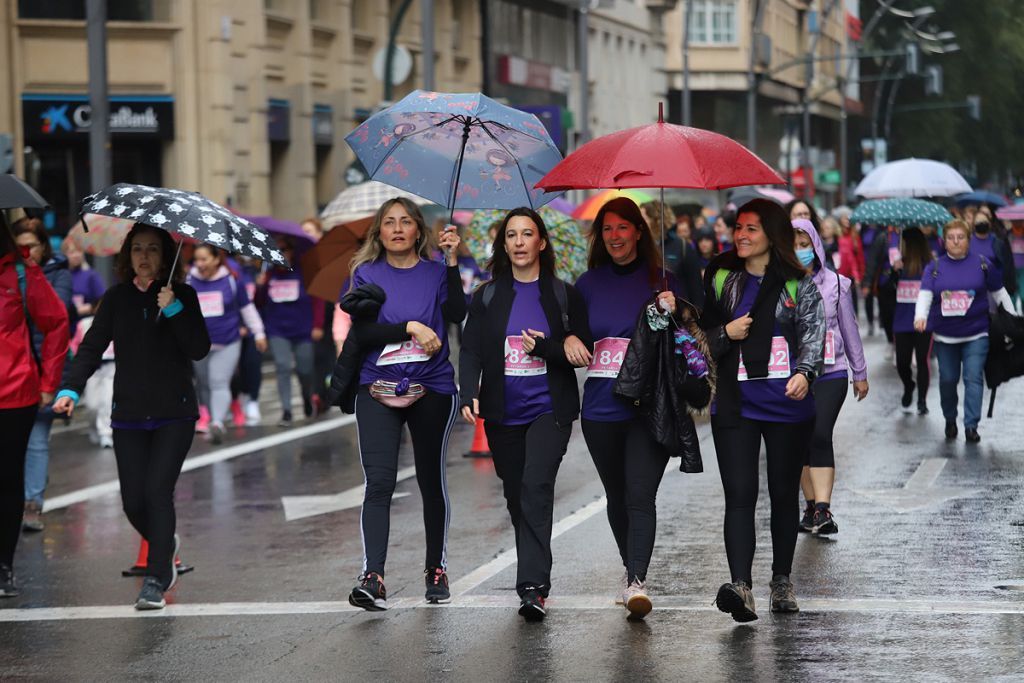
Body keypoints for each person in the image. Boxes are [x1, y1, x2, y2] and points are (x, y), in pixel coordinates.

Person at [564, 197, 710, 619]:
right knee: (617, 496)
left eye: (623, 228)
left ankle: (637, 582)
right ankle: (631, 569)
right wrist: (570, 340)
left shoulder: (662, 278)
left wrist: (675, 309)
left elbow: (694, 330)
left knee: (641, 494)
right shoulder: (587, 284)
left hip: (651, 405)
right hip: (600, 409)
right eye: (607, 229)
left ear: (639, 232)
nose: (615, 236)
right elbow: (574, 336)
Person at [54, 224, 210, 610]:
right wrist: (69, 389)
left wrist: (173, 309)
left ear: (165, 256)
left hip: (174, 413)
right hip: (128, 415)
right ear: (127, 256)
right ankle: (164, 542)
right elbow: (91, 349)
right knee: (132, 502)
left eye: (153, 249)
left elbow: (199, 347)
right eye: (137, 249)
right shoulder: (116, 298)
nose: (144, 256)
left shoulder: (182, 296)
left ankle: (157, 579)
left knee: (158, 492)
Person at [459, 207, 586, 622]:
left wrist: (547, 347)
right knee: (517, 495)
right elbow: (472, 348)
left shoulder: (564, 294)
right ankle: (533, 565)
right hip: (501, 411)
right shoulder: (487, 295)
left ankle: (532, 585)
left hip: (549, 409)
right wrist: (468, 390)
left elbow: (579, 351)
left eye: (526, 234)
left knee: (535, 485)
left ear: (541, 242)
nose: (518, 242)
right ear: (504, 244)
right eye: (511, 235)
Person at [700, 199, 825, 622]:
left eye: (751, 229)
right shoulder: (720, 279)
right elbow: (696, 336)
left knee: (782, 495)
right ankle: (742, 587)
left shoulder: (796, 284)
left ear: (771, 235)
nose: (741, 235)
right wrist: (723, 333)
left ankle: (781, 580)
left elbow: (813, 332)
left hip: (787, 406)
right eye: (738, 227)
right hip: (735, 405)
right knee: (739, 495)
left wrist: (806, 373)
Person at [344, 197, 465, 611]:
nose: (397, 229)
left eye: (406, 222)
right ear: (378, 232)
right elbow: (362, 333)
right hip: (376, 387)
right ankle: (373, 576)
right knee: (379, 482)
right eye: (389, 222)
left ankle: (436, 568)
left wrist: (451, 263)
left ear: (419, 230)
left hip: (431, 387)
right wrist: (409, 327)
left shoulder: (435, 272)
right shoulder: (365, 273)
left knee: (431, 479)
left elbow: (456, 312)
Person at [0, 221, 68, 597]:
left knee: (8, 481)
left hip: (15, 394)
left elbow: (56, 322)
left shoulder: (22, 273)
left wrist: (48, 384)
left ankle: (3, 566)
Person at [792, 219, 868, 537]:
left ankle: (823, 508)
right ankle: (810, 507)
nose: (800, 251)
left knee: (820, 433)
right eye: (793, 245)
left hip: (831, 372)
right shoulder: (781, 285)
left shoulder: (837, 284)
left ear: (816, 246)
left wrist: (860, 373)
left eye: (804, 244)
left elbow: (849, 329)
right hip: (795, 375)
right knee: (800, 440)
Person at [914, 219, 1014, 443]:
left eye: (960, 237)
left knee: (973, 377)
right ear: (944, 241)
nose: (956, 242)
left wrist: (1014, 321)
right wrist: (920, 317)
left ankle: (971, 425)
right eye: (951, 238)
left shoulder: (982, 264)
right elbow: (925, 295)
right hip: (944, 335)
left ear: (968, 240)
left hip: (976, 334)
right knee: (948, 379)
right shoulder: (935, 267)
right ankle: (950, 419)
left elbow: (1000, 293)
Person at [11, 218, 74, 532]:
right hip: (12, 372)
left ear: (42, 246)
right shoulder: (9, 271)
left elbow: (57, 314)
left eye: (30, 246)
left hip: (44, 367)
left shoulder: (55, 272)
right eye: (19, 245)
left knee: (36, 439)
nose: (25, 251)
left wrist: (29, 285)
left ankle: (33, 502)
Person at [186, 244, 267, 443]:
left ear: (216, 259)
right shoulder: (189, 281)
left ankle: (218, 422)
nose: (200, 264)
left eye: (204, 259)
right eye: (197, 259)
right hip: (199, 343)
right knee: (204, 383)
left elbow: (246, 308)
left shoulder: (231, 280)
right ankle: (210, 416)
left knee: (218, 381)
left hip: (228, 341)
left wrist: (258, 332)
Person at [255, 237, 324, 426]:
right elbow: (259, 302)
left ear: (292, 251)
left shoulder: (304, 273)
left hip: (303, 330)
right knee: (283, 366)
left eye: (285, 249)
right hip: (277, 330)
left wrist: (317, 325)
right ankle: (286, 411)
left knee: (305, 370)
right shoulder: (268, 274)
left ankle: (306, 396)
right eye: (278, 249)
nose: (282, 252)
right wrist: (260, 287)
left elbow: (317, 299)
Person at [890, 228, 934, 415]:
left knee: (923, 361)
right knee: (902, 362)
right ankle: (909, 385)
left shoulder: (930, 266)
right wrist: (893, 272)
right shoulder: (899, 265)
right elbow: (889, 290)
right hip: (901, 320)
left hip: (923, 320)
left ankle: (922, 400)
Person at [642, 201, 704, 309]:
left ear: (656, 220)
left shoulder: (682, 246)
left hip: (678, 317)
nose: (639, 223)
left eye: (643, 219)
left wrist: (695, 315)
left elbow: (696, 290)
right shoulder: (639, 248)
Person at [62, 239, 106, 318]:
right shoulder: (61, 275)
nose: (76, 255)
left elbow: (103, 301)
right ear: (65, 255)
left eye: (79, 251)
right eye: (72, 252)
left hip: (85, 322)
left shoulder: (91, 275)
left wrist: (90, 308)